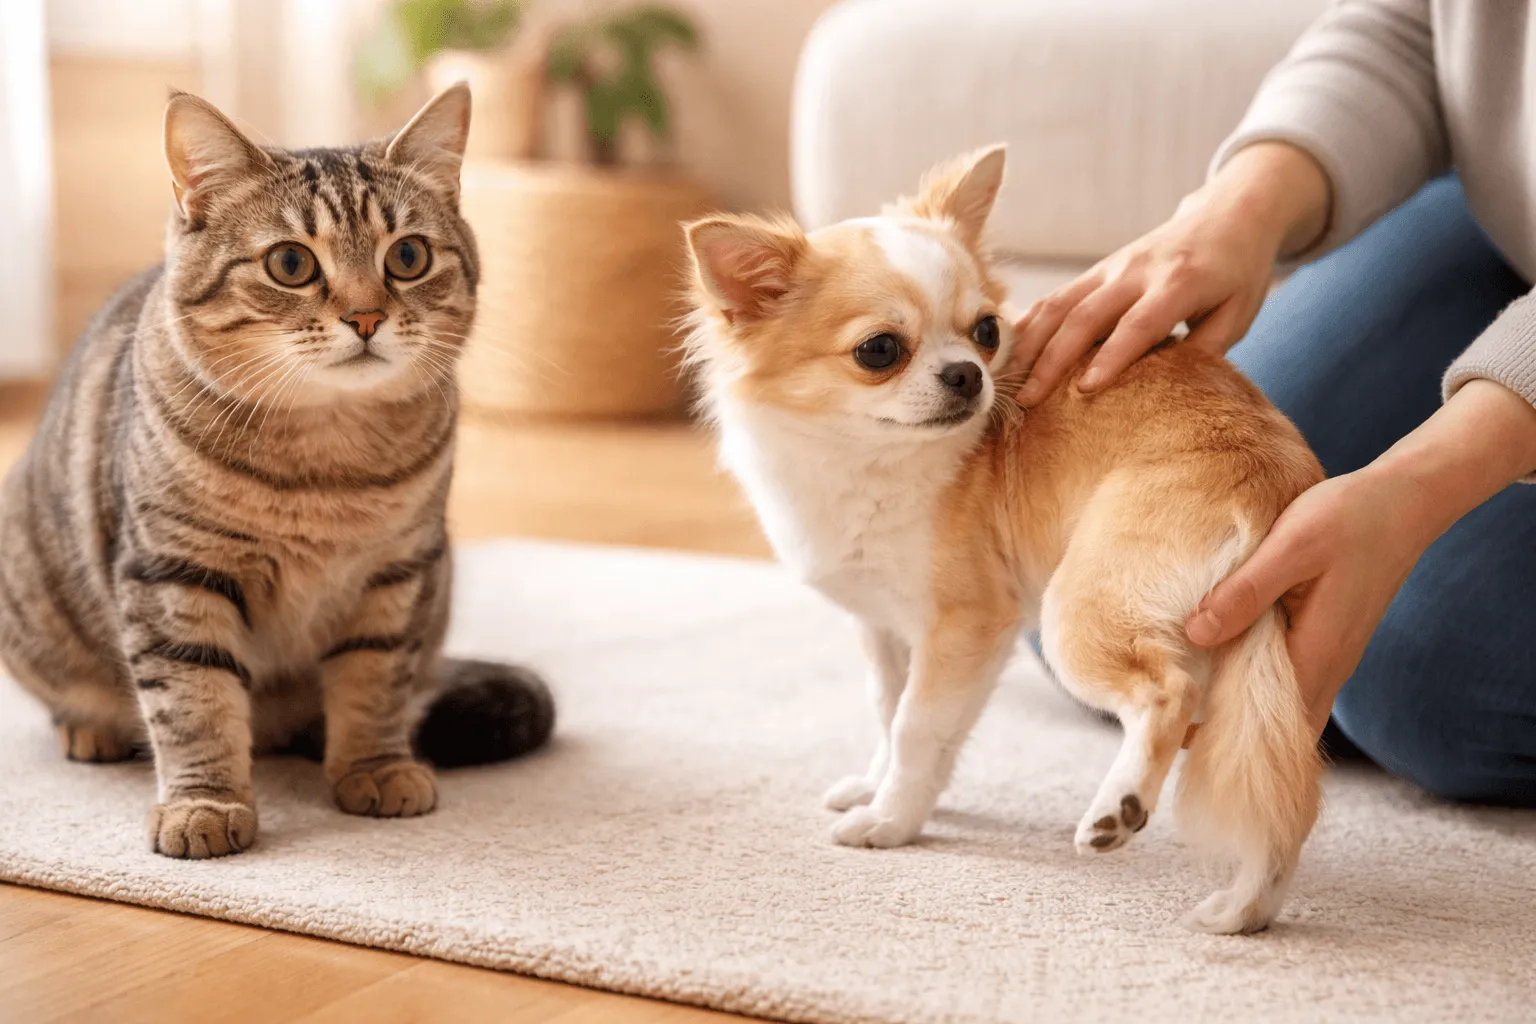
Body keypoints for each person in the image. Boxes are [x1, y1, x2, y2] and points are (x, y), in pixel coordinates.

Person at [1010, 1, 1536, 806]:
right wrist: (1241, 205)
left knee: (1413, 681)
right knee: (1091, 595)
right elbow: (1412, 22)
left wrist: (1422, 483)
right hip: (1505, 215)